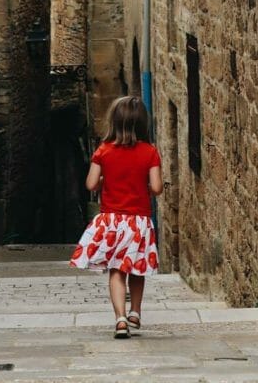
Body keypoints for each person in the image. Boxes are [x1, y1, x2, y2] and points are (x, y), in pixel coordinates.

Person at [70, 95, 163, 338]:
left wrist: (105, 180)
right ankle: (136, 311)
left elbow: (91, 184)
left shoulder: (103, 151)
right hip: (138, 221)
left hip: (112, 220)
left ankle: (120, 318)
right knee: (137, 269)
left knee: (116, 270)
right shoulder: (149, 152)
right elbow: (156, 188)